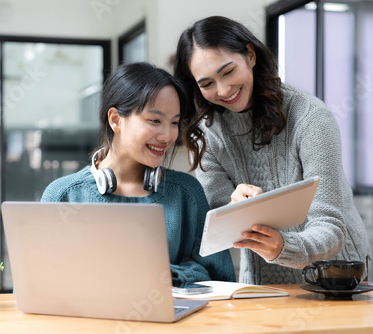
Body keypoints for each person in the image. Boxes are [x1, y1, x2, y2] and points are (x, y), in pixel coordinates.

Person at [174, 16, 371, 285]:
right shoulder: (207, 135)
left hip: (334, 276)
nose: (223, 90)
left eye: (228, 71)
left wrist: (283, 247)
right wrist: (234, 208)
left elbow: (331, 228)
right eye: (207, 83)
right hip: (262, 282)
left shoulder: (311, 118)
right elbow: (217, 222)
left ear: (250, 55)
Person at [41, 62, 235, 284]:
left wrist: (165, 274)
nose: (167, 135)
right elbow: (38, 283)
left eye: (174, 123)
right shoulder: (63, 196)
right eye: (155, 121)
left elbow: (222, 280)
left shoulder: (186, 193)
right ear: (115, 120)